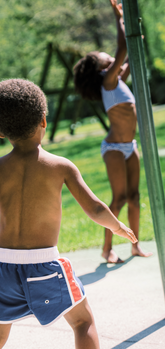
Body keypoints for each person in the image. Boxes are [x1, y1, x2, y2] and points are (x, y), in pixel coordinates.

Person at [0, 78, 138, 349]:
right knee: (82, 322)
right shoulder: (60, 166)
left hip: (2, 268)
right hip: (43, 265)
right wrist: (117, 226)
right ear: (43, 121)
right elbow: (95, 208)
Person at [73, 0, 152, 263]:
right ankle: (107, 249)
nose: (109, 55)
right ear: (101, 68)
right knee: (118, 198)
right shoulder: (108, 81)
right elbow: (121, 48)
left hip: (130, 146)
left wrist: (136, 38)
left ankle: (135, 245)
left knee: (135, 196)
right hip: (114, 148)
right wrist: (118, 17)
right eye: (104, 56)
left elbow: (130, 55)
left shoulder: (116, 80)